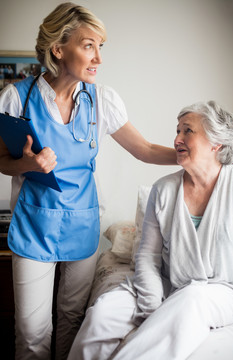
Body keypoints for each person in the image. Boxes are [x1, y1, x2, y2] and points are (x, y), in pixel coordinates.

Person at [0, 3, 176, 360]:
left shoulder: (102, 101)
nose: (98, 57)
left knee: (72, 319)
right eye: (88, 45)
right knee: (32, 333)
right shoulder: (16, 98)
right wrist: (27, 164)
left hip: (82, 224)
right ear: (58, 49)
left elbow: (142, 149)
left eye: (100, 47)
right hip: (34, 226)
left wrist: (192, 155)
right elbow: (2, 161)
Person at [67, 100, 233, 360]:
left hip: (221, 291)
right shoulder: (163, 189)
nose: (176, 138)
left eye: (187, 131)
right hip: (168, 285)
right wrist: (151, 305)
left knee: (192, 298)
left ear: (216, 143)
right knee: (102, 314)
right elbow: (147, 257)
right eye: (177, 130)